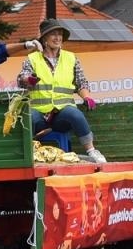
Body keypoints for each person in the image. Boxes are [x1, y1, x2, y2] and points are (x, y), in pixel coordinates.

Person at [18, 18, 105, 163]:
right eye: (53, 34)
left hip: (62, 114)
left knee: (76, 115)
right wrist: (29, 80)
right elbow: (22, 79)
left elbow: (81, 82)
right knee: (29, 118)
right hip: (39, 113)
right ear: (44, 38)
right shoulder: (32, 59)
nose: (57, 37)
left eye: (60, 34)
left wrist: (87, 97)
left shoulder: (71, 58)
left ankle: (92, 151)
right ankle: (27, 154)